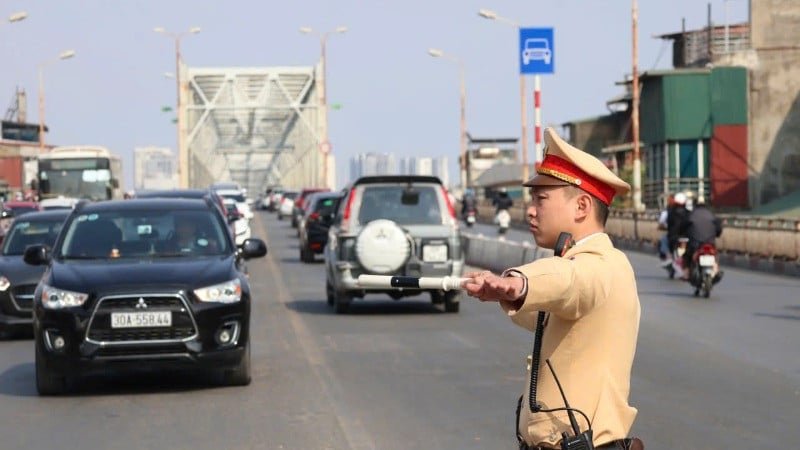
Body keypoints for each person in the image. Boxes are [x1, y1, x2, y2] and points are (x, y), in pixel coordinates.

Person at [463, 128, 641, 450]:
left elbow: (570, 281)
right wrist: (507, 293)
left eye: (541, 198)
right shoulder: (578, 266)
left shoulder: (604, 265)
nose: (531, 209)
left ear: (582, 207)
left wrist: (518, 282)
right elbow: (546, 310)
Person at [679, 198, 723, 278]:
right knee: (715, 254)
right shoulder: (711, 215)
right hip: (710, 242)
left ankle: (686, 274)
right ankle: (716, 269)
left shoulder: (691, 215)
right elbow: (718, 229)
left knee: (687, 255)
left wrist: (682, 234)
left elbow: (682, 227)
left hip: (695, 243)